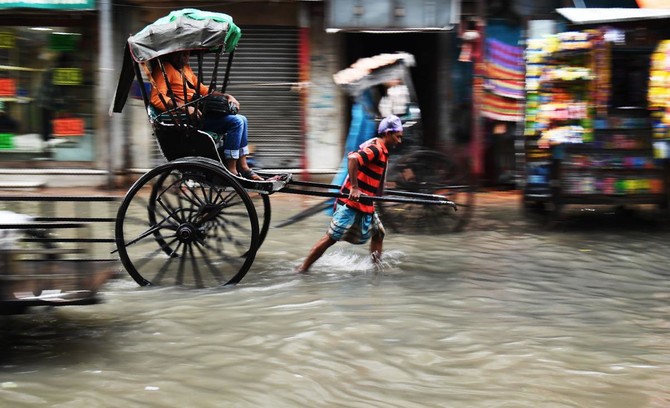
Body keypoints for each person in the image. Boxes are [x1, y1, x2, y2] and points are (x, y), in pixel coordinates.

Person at [296, 115, 404, 273]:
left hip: (366, 202)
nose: (399, 141)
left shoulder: (381, 149)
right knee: (330, 238)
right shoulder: (376, 148)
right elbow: (353, 159)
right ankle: (302, 269)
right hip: (351, 202)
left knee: (379, 233)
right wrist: (354, 188)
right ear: (387, 133)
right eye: (397, 136)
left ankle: (376, 268)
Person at [149, 50, 262, 180]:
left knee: (242, 119)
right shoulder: (163, 69)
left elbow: (202, 89)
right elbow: (156, 98)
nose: (186, 59)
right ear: (173, 53)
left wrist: (226, 96)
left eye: (188, 55)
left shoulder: (185, 69)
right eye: (183, 55)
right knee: (236, 122)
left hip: (198, 114)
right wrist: (184, 109)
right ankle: (232, 170)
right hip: (183, 120)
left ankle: (243, 166)